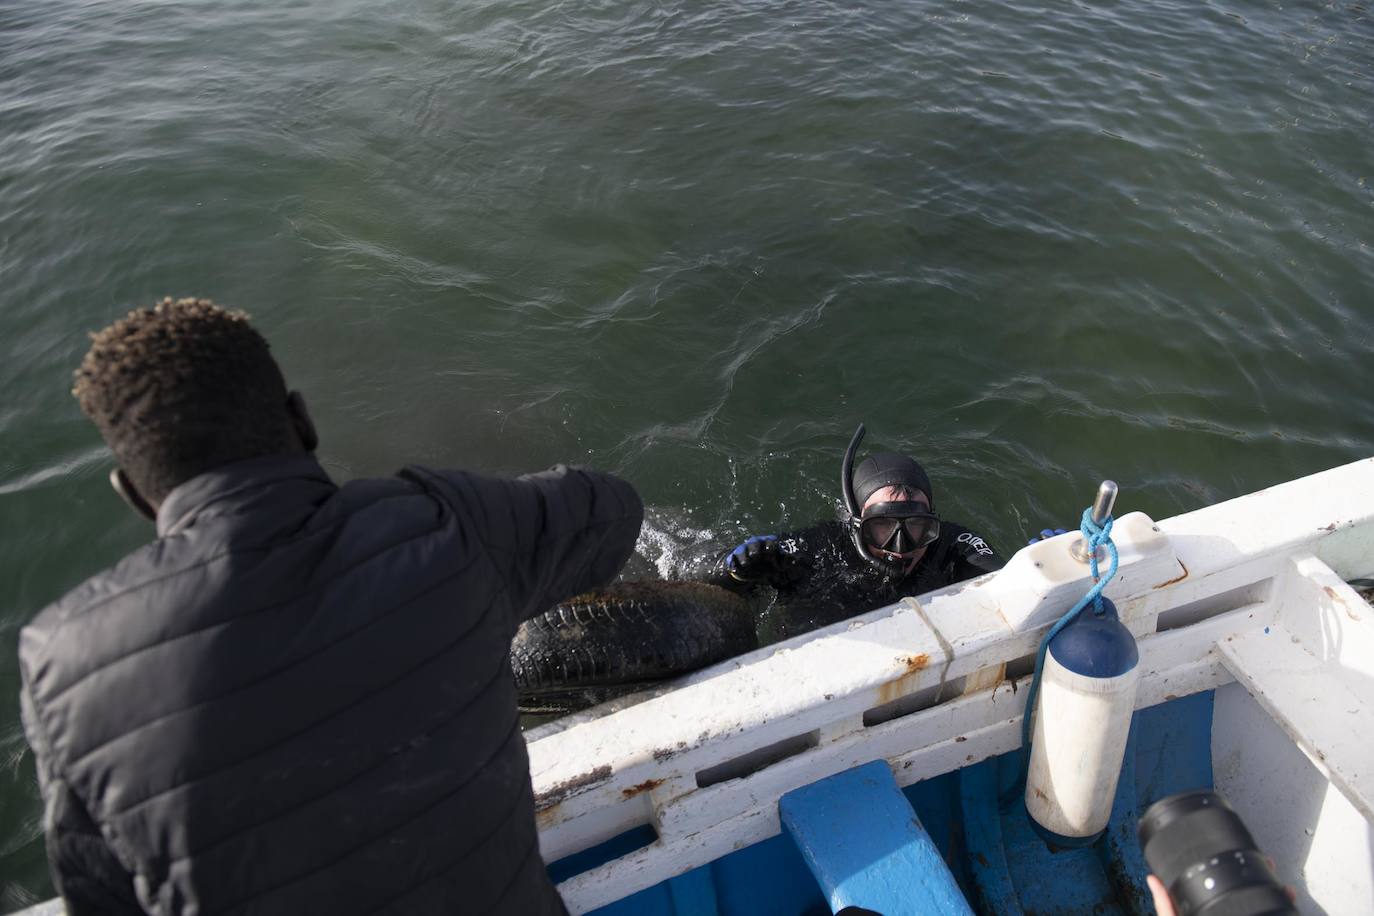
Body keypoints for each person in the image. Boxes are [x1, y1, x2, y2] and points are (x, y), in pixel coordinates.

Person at [18, 298, 643, 916]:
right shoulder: (447, 524)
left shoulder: (62, 663)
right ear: (303, 421)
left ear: (133, 495)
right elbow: (613, 510)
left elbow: (103, 896)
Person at [678, 425, 1004, 639]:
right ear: (857, 524)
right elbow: (697, 584)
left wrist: (1046, 559)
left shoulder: (952, 545)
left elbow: (1007, 579)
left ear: (935, 522)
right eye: (882, 529)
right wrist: (736, 570)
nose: (901, 548)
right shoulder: (820, 548)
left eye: (919, 528)